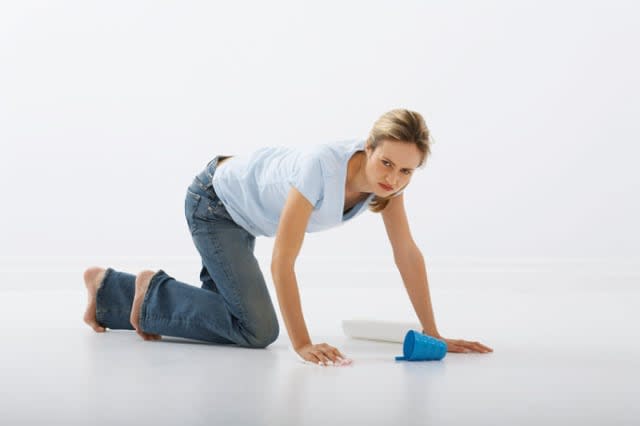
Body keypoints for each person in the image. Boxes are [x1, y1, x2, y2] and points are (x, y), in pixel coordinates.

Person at [82, 108, 493, 366]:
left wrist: (433, 330)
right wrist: (302, 343)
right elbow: (283, 261)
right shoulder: (321, 168)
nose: (393, 178)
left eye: (406, 171)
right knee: (258, 330)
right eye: (386, 163)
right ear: (368, 147)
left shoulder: (388, 187)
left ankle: (108, 293)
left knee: (231, 319)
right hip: (216, 205)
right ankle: (152, 292)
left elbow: (406, 253)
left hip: (244, 217)